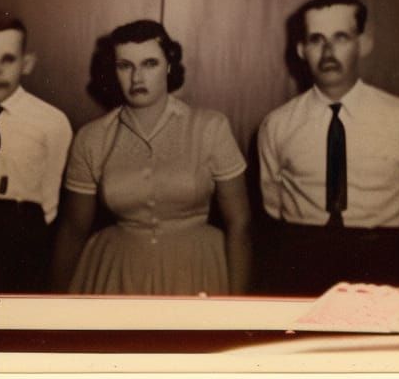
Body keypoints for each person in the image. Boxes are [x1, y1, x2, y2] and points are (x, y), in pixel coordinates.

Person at [51, 20, 250, 295]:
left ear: (168, 66)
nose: (136, 78)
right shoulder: (92, 137)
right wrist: (55, 304)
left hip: (198, 269)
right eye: (125, 66)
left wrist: (238, 303)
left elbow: (240, 222)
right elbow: (73, 228)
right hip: (117, 273)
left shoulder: (210, 127)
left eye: (149, 64)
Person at [257, 0, 399, 295]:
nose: (327, 52)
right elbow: (273, 206)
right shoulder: (277, 125)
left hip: (382, 264)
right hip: (302, 263)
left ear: (364, 43)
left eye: (341, 37)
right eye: (316, 39)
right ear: (300, 49)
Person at [0, 12, 72, 293]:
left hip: (23, 227)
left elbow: (51, 195)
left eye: (7, 59)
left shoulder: (51, 121)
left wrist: (28, 227)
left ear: (26, 64)